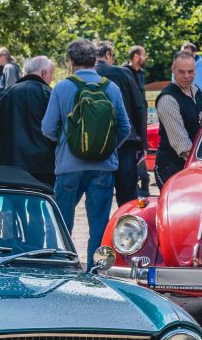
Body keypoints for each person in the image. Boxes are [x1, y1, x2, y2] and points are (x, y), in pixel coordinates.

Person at [41, 39, 131, 263]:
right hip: (103, 167)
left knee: (61, 224)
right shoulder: (111, 88)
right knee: (99, 226)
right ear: (94, 60)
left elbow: (48, 128)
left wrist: (68, 142)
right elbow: (125, 128)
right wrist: (106, 147)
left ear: (70, 61)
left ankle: (63, 266)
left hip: (69, 165)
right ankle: (94, 270)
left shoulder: (62, 87)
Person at [0, 56, 57, 185]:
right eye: (51, 74)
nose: (52, 79)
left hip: (11, 163)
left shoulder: (8, 93)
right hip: (44, 166)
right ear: (44, 72)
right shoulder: (49, 94)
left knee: (13, 197)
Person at [95, 41, 147, 206]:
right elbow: (139, 107)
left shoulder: (85, 76)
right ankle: (127, 222)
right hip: (125, 141)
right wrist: (142, 143)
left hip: (94, 143)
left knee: (99, 195)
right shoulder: (123, 73)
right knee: (127, 194)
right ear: (108, 54)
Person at [155, 51, 202, 187]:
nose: (186, 76)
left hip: (194, 165)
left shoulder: (197, 91)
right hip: (172, 169)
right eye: (181, 72)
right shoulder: (168, 99)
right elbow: (182, 145)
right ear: (173, 69)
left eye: (190, 71)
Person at [126, 46, 151, 196]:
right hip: (131, 120)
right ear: (136, 57)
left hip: (141, 119)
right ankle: (139, 181)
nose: (146, 57)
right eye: (144, 55)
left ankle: (144, 182)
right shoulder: (124, 73)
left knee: (142, 150)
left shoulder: (141, 74)